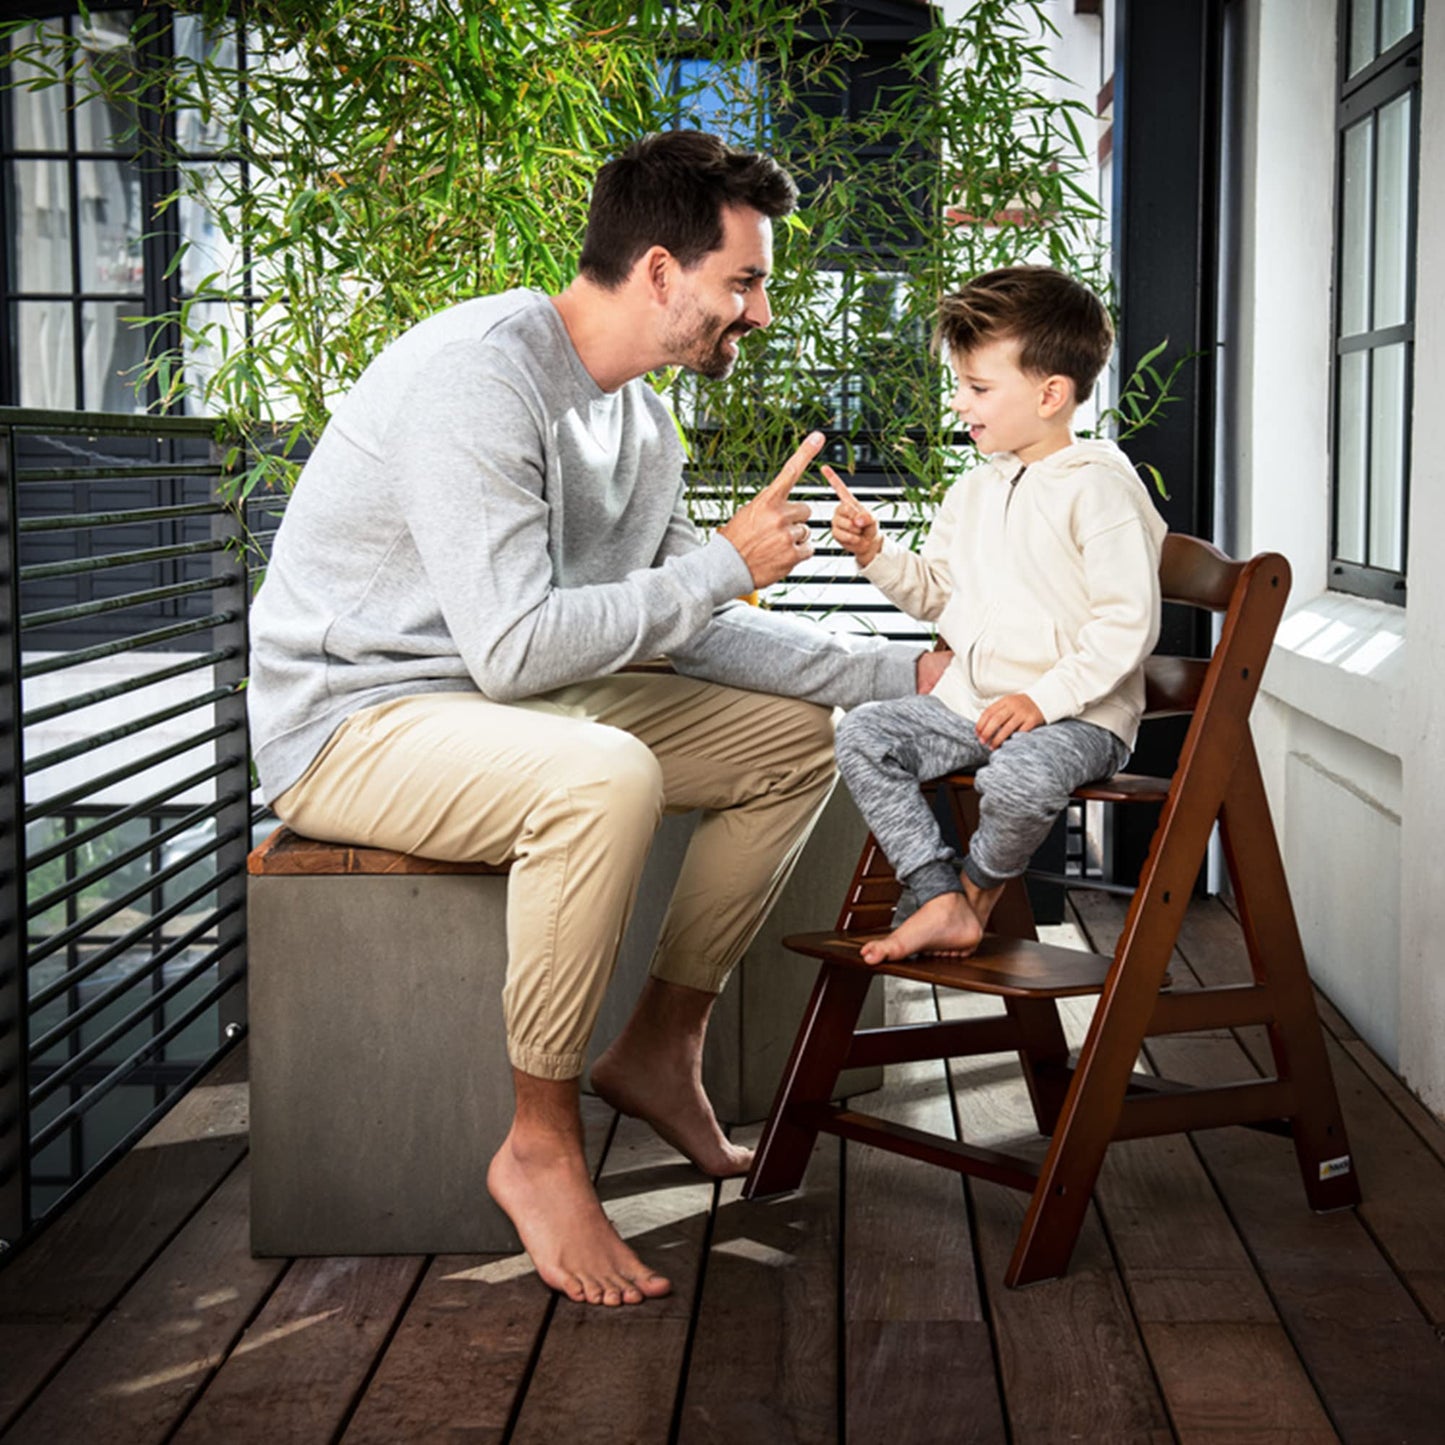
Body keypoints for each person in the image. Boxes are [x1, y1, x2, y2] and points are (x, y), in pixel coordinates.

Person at [246, 129, 944, 1309]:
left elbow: (676, 626)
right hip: (355, 719)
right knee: (601, 773)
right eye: (745, 280)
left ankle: (661, 1046)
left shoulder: (639, 421)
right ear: (662, 270)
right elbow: (515, 647)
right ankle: (537, 1138)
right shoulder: (480, 376)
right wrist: (722, 562)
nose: (758, 313)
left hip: (506, 705)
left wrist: (893, 675)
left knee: (793, 738)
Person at [827, 264, 1168, 964]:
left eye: (977, 387)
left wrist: (1042, 700)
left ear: (1050, 394)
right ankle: (935, 893)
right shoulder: (975, 489)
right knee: (864, 733)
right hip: (972, 704)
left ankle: (972, 896)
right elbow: (940, 595)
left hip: (1079, 715)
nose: (958, 403)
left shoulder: (1099, 489)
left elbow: (1126, 625)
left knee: (1015, 778)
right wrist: (874, 553)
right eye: (959, 385)